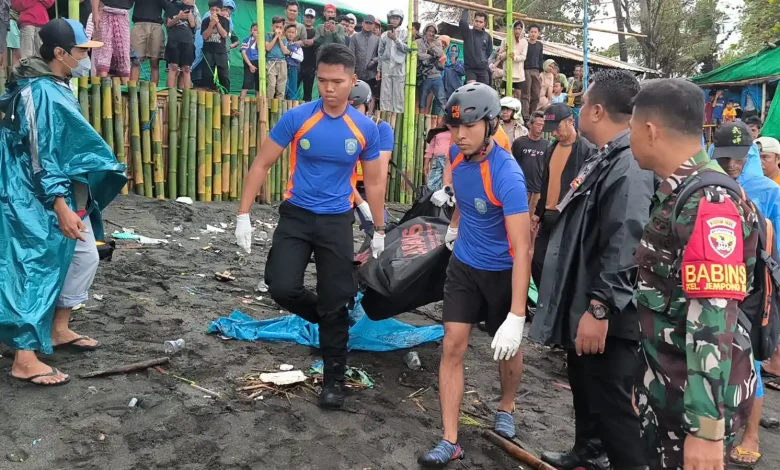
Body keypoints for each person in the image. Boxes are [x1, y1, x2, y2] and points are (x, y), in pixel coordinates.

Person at [235, 44, 385, 409]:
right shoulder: (298, 117)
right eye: (322, 81)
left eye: (337, 81)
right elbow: (261, 164)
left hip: (336, 221)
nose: (329, 89)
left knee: (337, 297)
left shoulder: (365, 128)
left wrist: (379, 229)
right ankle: (329, 319)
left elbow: (376, 184)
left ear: (353, 81)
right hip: (297, 215)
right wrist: (243, 214)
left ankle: (334, 378)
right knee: (281, 285)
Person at [630, 79, 758, 470]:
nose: (630, 137)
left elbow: (712, 317)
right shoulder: (679, 190)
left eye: (632, 127)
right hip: (669, 392)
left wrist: (705, 429)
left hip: (691, 408)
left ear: (650, 130)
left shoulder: (708, 202)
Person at [531, 70, 652, 470]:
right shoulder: (605, 155)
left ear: (598, 110)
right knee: (585, 384)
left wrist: (601, 307)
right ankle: (588, 451)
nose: (579, 110)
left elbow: (625, 243)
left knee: (615, 404)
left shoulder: (631, 164)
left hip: (609, 312)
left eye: (583, 104)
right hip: (586, 297)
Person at [0, 18, 126, 386]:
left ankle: (58, 328)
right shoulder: (38, 91)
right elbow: (40, 154)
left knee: (83, 254)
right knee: (33, 263)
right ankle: (24, 357)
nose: (86, 58)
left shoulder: (55, 86)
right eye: (81, 52)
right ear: (60, 53)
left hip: (47, 190)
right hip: (29, 194)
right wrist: (59, 204)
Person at [418, 82, 531, 468]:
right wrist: (453, 224)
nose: (460, 136)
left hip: (502, 271)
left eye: (468, 127)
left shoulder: (508, 175)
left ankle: (506, 406)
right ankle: (450, 438)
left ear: (490, 123)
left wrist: (517, 315)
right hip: (464, 265)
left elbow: (522, 249)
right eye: (454, 128)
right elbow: (466, 200)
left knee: (507, 348)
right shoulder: (454, 153)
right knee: (453, 344)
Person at [531, 103, 593, 286]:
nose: (554, 134)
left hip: (569, 218)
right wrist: (537, 212)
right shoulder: (551, 149)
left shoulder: (586, 151)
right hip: (548, 216)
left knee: (564, 267)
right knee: (538, 262)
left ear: (570, 121)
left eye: (557, 128)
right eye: (550, 130)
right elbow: (546, 183)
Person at [348, 80, 393, 229]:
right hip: (341, 186)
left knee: (380, 230)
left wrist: (378, 205)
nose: (351, 112)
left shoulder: (381, 128)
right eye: (348, 107)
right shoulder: (336, 128)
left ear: (367, 106)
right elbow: (336, 173)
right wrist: (359, 202)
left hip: (368, 185)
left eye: (356, 107)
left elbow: (380, 172)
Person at [511, 111, 548, 217]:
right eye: (538, 124)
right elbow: (512, 164)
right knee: (517, 217)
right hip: (521, 188)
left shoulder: (547, 146)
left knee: (533, 222)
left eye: (543, 125)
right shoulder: (519, 143)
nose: (540, 128)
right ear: (530, 125)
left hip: (537, 190)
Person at [90, 0, 131, 81]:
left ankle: (126, 86)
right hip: (104, 10)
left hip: (123, 13)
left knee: (123, 53)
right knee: (104, 51)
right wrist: (95, 13)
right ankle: (103, 84)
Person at [377, 8, 407, 113]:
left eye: (397, 18)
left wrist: (395, 39)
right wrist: (378, 69)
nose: (394, 20)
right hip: (386, 67)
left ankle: (398, 124)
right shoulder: (384, 35)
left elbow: (408, 49)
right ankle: (385, 120)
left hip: (399, 68)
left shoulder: (405, 32)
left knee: (399, 97)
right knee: (385, 96)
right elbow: (380, 53)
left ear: (400, 20)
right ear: (389, 20)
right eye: (392, 18)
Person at [130, 0, 167, 84]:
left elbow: (168, 6)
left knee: (155, 61)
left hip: (156, 26)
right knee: (136, 60)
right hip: (139, 24)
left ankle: (153, 91)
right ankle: (132, 90)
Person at [164, 0, 196, 90]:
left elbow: (194, 26)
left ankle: (187, 94)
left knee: (186, 68)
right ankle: (170, 92)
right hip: (174, 39)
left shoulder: (192, 8)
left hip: (187, 40)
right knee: (173, 66)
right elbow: (168, 24)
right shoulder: (171, 5)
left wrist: (190, 16)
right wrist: (178, 17)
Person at [349, 15, 379, 111]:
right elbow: (350, 53)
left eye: (370, 23)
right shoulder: (355, 37)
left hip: (371, 72)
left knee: (371, 94)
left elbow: (381, 55)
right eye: (366, 23)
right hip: (357, 71)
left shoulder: (377, 39)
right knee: (354, 92)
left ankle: (369, 114)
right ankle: (353, 113)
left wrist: (374, 60)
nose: (368, 25)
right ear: (362, 23)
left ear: (373, 25)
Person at [417, 23, 445, 115]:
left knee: (442, 100)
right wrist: (432, 55)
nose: (431, 33)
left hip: (437, 76)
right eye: (429, 31)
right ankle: (420, 126)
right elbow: (419, 56)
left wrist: (431, 45)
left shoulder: (437, 42)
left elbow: (440, 54)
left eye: (433, 32)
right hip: (425, 76)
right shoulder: (418, 42)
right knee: (422, 102)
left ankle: (451, 122)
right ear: (425, 30)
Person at [458, 9, 492, 85]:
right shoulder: (467, 33)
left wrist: (482, 60)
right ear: (473, 21)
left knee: (484, 91)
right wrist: (466, 9)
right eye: (476, 21)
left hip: (483, 69)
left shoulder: (487, 36)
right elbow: (463, 23)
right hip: (470, 69)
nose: (478, 23)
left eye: (480, 22)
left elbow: (489, 51)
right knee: (471, 89)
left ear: (484, 23)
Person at [495, 20, 526, 100]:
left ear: (522, 30)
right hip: (507, 72)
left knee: (517, 95)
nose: (517, 31)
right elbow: (499, 56)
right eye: (515, 28)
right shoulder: (505, 40)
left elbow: (523, 56)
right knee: (506, 95)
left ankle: (516, 111)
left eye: (519, 29)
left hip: (518, 73)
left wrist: (514, 57)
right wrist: (507, 53)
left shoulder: (524, 42)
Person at [264, 16, 288, 99]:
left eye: (280, 27)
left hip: (282, 62)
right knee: (271, 85)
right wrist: (275, 37)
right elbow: (267, 48)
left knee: (281, 87)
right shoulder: (268, 35)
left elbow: (285, 51)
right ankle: (269, 106)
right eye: (276, 27)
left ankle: (279, 106)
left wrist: (280, 39)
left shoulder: (284, 38)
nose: (278, 29)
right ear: (272, 26)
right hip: (271, 62)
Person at [299, 8, 317, 101]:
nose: (309, 19)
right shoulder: (298, 29)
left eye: (311, 17)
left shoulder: (316, 32)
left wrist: (301, 42)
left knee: (308, 92)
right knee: (291, 90)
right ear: (304, 17)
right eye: (307, 16)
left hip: (310, 66)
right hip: (296, 65)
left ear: (314, 19)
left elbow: (315, 42)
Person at [239, 22, 259, 100]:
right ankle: (241, 101)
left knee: (259, 85)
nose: (256, 32)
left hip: (259, 63)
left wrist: (257, 39)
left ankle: (258, 107)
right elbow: (243, 52)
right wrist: (250, 65)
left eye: (258, 30)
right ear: (251, 31)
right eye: (254, 30)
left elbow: (263, 50)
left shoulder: (262, 40)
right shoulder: (246, 39)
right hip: (249, 62)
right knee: (246, 82)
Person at [284, 23, 303, 100]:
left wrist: (290, 53)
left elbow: (301, 58)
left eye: (292, 32)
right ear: (285, 32)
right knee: (283, 87)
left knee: (292, 87)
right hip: (283, 67)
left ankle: (292, 105)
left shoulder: (297, 46)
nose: (290, 34)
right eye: (289, 32)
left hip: (293, 68)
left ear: (295, 34)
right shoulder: (283, 44)